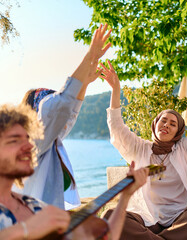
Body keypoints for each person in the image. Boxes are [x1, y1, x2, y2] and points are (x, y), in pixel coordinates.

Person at [100, 61, 187, 239]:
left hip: (180, 220)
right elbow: (117, 129)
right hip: (147, 219)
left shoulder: (186, 150)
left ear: (178, 132)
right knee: (109, 216)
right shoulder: (139, 148)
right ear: (155, 124)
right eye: (163, 121)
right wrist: (116, 90)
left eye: (173, 124)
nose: (166, 125)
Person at [0, 104, 149, 240]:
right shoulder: (38, 218)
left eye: (28, 139)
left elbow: (106, 237)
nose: (29, 146)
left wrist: (125, 196)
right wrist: (26, 230)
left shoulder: (35, 207)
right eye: (14, 140)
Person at [13, 24, 112, 210]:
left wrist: (84, 85)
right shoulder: (32, 142)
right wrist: (90, 56)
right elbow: (60, 107)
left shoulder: (47, 141)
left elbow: (69, 114)